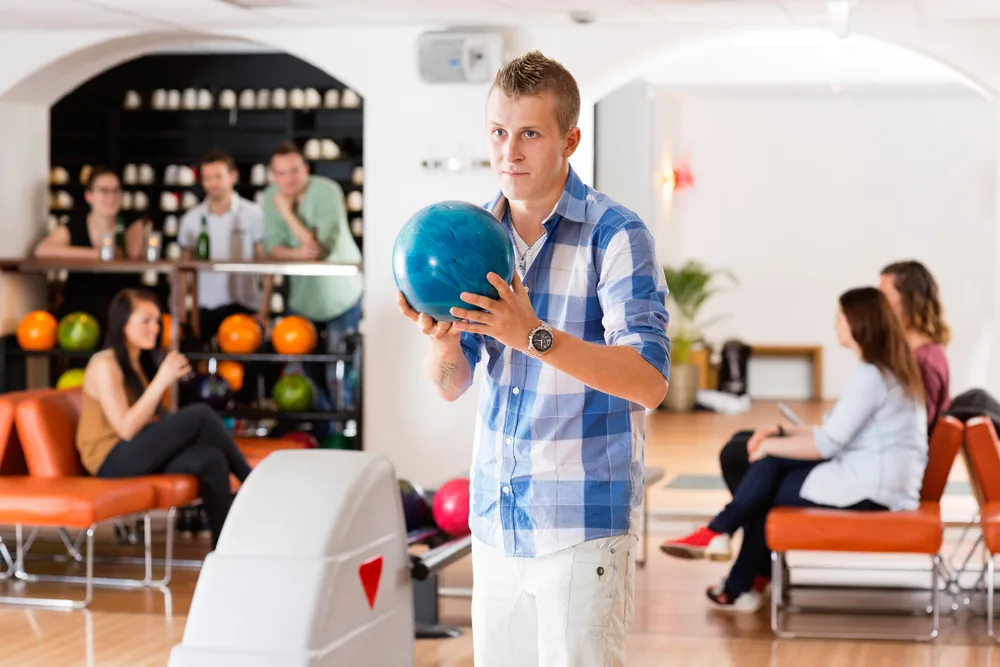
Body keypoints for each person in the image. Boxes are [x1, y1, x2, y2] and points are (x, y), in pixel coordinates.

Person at [397, 51, 671, 667]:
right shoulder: (474, 238)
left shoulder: (616, 235)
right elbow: (449, 384)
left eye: (529, 134)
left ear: (569, 139)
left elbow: (649, 383)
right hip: (496, 524)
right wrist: (441, 344)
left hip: (582, 526)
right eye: (498, 132)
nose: (508, 152)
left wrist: (533, 336)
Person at [659, 287, 928, 612]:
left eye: (840, 317)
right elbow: (836, 431)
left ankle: (724, 545)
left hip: (871, 487)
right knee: (748, 451)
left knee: (765, 475)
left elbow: (828, 443)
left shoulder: (871, 376)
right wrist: (780, 431)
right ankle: (738, 564)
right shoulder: (889, 372)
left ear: (859, 324)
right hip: (874, 477)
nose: (835, 325)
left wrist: (771, 445)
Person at [717, 260, 950, 501]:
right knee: (745, 440)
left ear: (910, 300)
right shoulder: (911, 357)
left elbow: (911, 433)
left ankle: (754, 525)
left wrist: (828, 437)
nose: (876, 302)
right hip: (865, 453)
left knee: (742, 453)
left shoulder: (920, 363)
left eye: (884, 295)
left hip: (872, 465)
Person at [76, 288, 253, 548]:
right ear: (122, 323)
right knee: (201, 414)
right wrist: (162, 381)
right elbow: (125, 428)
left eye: (157, 321)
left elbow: (151, 421)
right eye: (145, 320)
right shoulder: (105, 364)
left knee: (210, 459)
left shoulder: (138, 363)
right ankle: (253, 486)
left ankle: (225, 548)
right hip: (109, 460)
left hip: (131, 452)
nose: (155, 328)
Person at [261, 141, 363, 412]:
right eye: (280, 174)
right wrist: (299, 251)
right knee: (306, 373)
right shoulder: (269, 196)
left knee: (343, 370)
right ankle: (322, 432)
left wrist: (286, 212)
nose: (288, 179)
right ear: (273, 175)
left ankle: (345, 433)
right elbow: (272, 248)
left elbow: (318, 250)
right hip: (304, 298)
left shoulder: (327, 191)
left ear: (305, 168)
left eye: (293, 170)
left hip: (340, 294)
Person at [34, 167, 147, 336]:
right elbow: (41, 250)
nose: (112, 196)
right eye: (104, 191)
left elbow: (132, 254)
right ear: (89, 196)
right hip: (81, 306)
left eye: (116, 190)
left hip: (122, 306)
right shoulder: (76, 224)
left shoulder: (131, 223)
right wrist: (95, 254)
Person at [178, 149, 272, 340]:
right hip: (205, 308)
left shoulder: (254, 213)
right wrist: (182, 313)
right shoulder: (191, 218)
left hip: (246, 305)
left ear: (233, 176)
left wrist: (263, 312)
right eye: (207, 178)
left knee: (246, 367)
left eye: (218, 177)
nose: (211, 183)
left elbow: (267, 266)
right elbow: (183, 271)